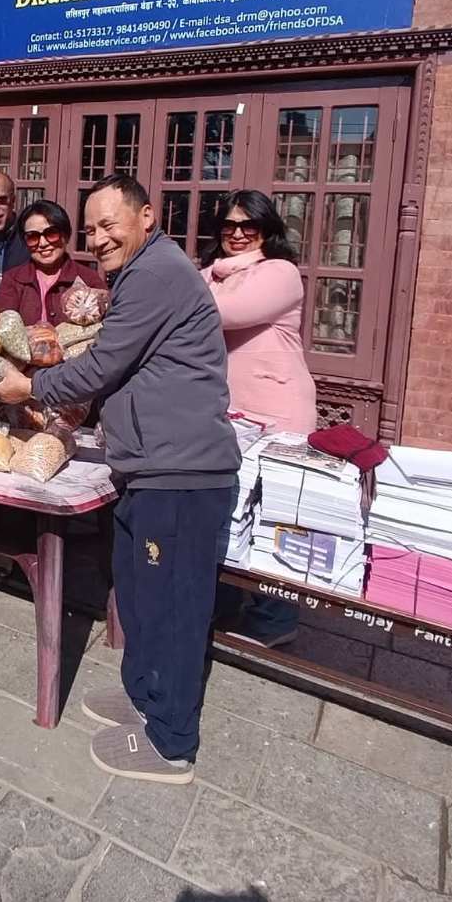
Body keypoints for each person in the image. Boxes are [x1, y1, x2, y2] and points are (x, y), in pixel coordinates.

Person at [0, 173, 239, 785]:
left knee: (172, 608)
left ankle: (172, 738)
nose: (99, 238)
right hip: (148, 463)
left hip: (180, 471)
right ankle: (143, 695)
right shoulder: (137, 273)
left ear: (146, 218)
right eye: (93, 227)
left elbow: (103, 364)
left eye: (110, 224)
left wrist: (32, 387)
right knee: (137, 592)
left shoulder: (155, 273)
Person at [203, 190, 317, 648]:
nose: (237, 234)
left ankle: (275, 619)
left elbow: (220, 311)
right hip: (231, 413)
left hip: (277, 414)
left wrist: (189, 289)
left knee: (275, 515)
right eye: (229, 226)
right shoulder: (212, 273)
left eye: (248, 226)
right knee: (230, 513)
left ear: (267, 231)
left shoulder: (281, 273)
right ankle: (227, 605)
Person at [0, 198, 106, 325]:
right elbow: (2, 327)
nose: (43, 243)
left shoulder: (88, 278)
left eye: (51, 233)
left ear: (66, 235)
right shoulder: (13, 279)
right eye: (33, 237)